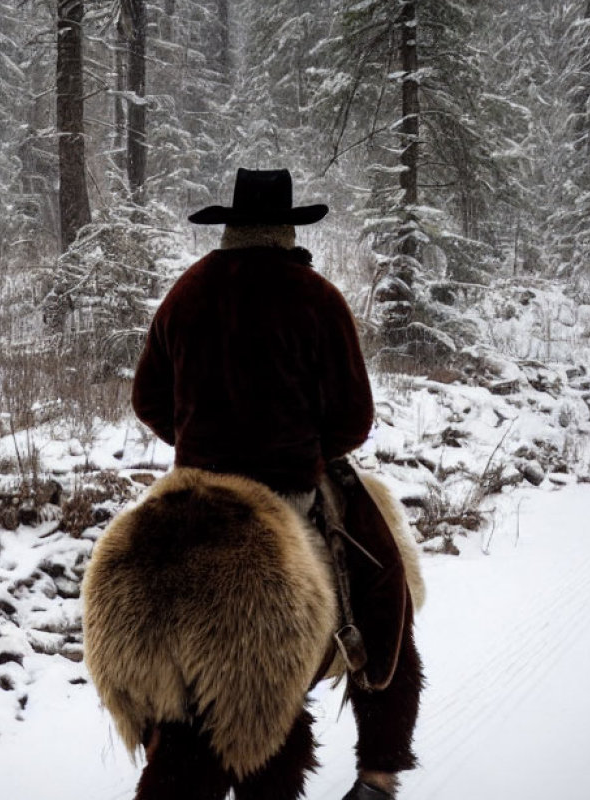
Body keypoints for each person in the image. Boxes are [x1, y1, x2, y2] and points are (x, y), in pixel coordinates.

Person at [131, 168, 423, 800]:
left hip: (193, 489)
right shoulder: (316, 296)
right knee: (386, 585)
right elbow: (354, 420)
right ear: (289, 228)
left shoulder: (185, 293)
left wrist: (198, 441)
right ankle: (378, 767)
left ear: (230, 228)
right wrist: (306, 450)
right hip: (291, 492)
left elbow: (147, 399)